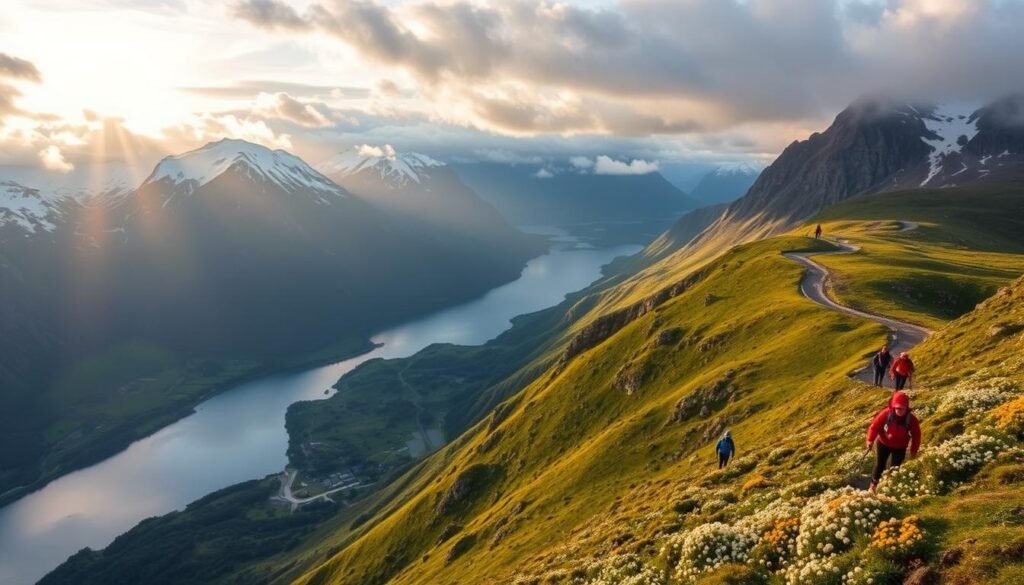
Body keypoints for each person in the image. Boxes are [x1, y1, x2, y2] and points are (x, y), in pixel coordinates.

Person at [865, 391, 921, 493]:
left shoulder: (911, 420)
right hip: (883, 443)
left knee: (894, 468)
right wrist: (870, 440)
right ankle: (873, 486)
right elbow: (874, 427)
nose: (900, 411)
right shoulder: (885, 414)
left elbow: (916, 435)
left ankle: (888, 486)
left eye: (902, 408)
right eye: (897, 408)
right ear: (893, 407)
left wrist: (914, 450)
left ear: (906, 408)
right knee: (880, 464)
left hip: (900, 447)